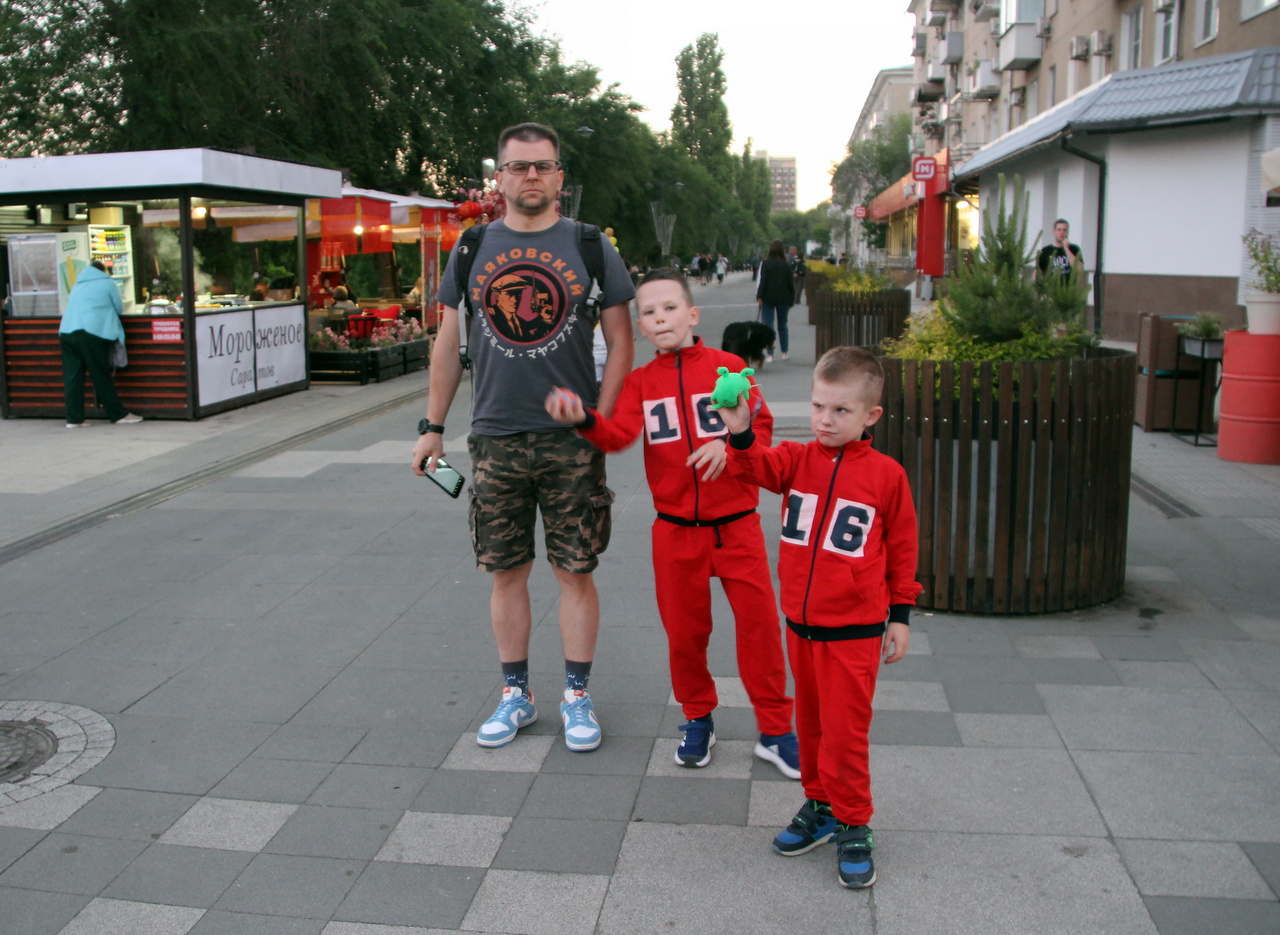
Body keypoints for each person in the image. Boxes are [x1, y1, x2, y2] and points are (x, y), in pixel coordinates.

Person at [410, 121, 635, 753]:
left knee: (575, 571)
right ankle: (516, 695)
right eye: (518, 166)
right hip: (495, 437)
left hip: (571, 445)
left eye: (542, 165)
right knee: (505, 572)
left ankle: (576, 697)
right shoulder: (471, 246)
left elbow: (622, 341)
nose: (530, 175)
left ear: (560, 176)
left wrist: (600, 422)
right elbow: (448, 344)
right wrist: (432, 428)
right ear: (500, 178)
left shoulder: (590, 245)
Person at [544, 268, 800, 777]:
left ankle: (775, 728)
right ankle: (698, 717)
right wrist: (584, 419)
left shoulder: (730, 368)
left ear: (692, 314)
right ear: (640, 327)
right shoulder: (641, 382)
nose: (660, 318)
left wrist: (730, 444)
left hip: (738, 526)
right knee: (685, 635)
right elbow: (618, 435)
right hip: (675, 531)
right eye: (649, 312)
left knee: (760, 630)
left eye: (670, 307)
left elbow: (763, 428)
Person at [718, 346, 922, 890]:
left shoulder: (887, 476)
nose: (825, 420)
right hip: (801, 627)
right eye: (817, 406)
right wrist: (740, 431)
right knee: (810, 726)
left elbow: (903, 547)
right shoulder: (795, 459)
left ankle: (854, 821)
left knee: (845, 733)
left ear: (871, 416)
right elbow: (751, 467)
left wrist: (900, 614)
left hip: (855, 631)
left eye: (840, 410)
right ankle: (822, 805)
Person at [59, 260, 143, 429]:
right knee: (100, 374)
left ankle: (74, 419)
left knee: (73, 377)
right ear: (103, 270)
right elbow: (119, 308)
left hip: (66, 331)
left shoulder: (77, 284)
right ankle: (118, 414)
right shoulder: (107, 282)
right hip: (91, 332)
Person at [756, 239, 793, 363]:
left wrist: (759, 296)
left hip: (768, 297)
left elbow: (763, 281)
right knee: (783, 325)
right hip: (783, 298)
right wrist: (792, 298)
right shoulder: (786, 264)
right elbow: (790, 283)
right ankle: (784, 352)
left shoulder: (766, 263)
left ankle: (770, 354)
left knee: (768, 325)